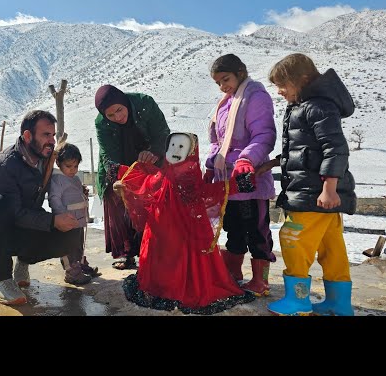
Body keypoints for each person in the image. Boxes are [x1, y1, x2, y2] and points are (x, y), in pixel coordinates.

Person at [258, 53, 356, 316]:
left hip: (314, 195)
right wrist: (274, 163)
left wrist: (329, 187)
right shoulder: (307, 106)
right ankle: (339, 303)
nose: (279, 92)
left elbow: (335, 149)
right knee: (330, 247)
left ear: (301, 80)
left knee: (292, 239)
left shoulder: (317, 107)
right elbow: (306, 151)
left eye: (282, 85)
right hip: (316, 193)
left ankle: (298, 301)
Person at [115, 132, 255, 314]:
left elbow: (206, 192)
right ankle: (164, 285)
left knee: (184, 261)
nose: (175, 150)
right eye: (172, 146)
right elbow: (148, 184)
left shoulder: (191, 176)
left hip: (188, 231)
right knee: (163, 258)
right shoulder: (163, 173)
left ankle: (178, 287)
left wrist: (235, 185)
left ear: (191, 152)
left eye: (181, 147)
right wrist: (124, 179)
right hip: (160, 232)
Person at [0, 110, 85, 306]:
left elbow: (51, 192)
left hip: (23, 225)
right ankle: (1, 279)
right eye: (46, 135)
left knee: (72, 231)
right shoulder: (4, 166)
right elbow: (12, 212)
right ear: (28, 136)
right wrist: (51, 221)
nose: (51, 140)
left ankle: (23, 262)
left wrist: (76, 195)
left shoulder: (45, 159)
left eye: (53, 135)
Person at [204, 54, 277, 296]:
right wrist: (211, 165)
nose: (223, 86)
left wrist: (247, 158)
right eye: (218, 83)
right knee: (232, 229)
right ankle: (234, 273)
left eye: (226, 79)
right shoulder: (225, 104)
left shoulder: (255, 97)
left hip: (249, 178)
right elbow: (217, 141)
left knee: (257, 231)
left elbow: (264, 134)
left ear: (241, 72)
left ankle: (261, 281)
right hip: (227, 181)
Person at [94, 84, 170, 270]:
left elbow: (162, 133)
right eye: (111, 115)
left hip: (152, 162)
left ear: (124, 101)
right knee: (119, 200)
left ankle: (153, 250)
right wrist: (119, 178)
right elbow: (109, 154)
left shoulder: (145, 103)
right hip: (120, 165)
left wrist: (153, 152)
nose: (118, 117)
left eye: (119, 110)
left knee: (154, 204)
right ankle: (126, 253)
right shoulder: (101, 123)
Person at [49, 143, 99, 284]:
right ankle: (72, 272)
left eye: (75, 166)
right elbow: (54, 199)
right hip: (67, 221)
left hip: (78, 220)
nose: (72, 170)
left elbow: (76, 194)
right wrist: (61, 216)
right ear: (58, 163)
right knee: (67, 247)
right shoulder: (57, 180)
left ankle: (81, 264)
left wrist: (82, 193)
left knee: (78, 244)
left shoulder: (75, 179)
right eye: (68, 166)